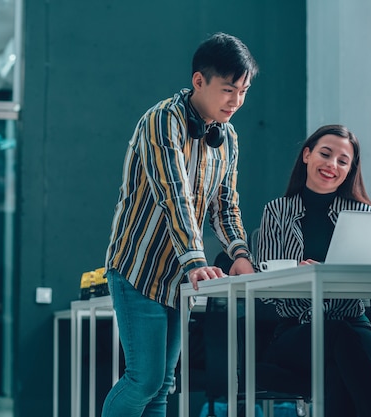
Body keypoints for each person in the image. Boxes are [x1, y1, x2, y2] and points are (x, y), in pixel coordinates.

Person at [103, 32, 258, 417]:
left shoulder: (229, 138)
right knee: (145, 378)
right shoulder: (162, 120)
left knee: (163, 385)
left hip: (179, 276)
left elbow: (225, 205)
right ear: (199, 81)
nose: (236, 102)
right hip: (138, 268)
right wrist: (195, 260)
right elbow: (175, 194)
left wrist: (239, 253)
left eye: (243, 91)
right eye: (228, 90)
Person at [254, 124, 371, 417]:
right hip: (296, 332)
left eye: (343, 160)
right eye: (325, 154)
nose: (332, 165)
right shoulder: (276, 211)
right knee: (340, 348)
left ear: (350, 168)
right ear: (307, 155)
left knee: (339, 356)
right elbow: (265, 289)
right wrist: (300, 276)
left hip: (356, 326)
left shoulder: (364, 215)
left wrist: (328, 274)